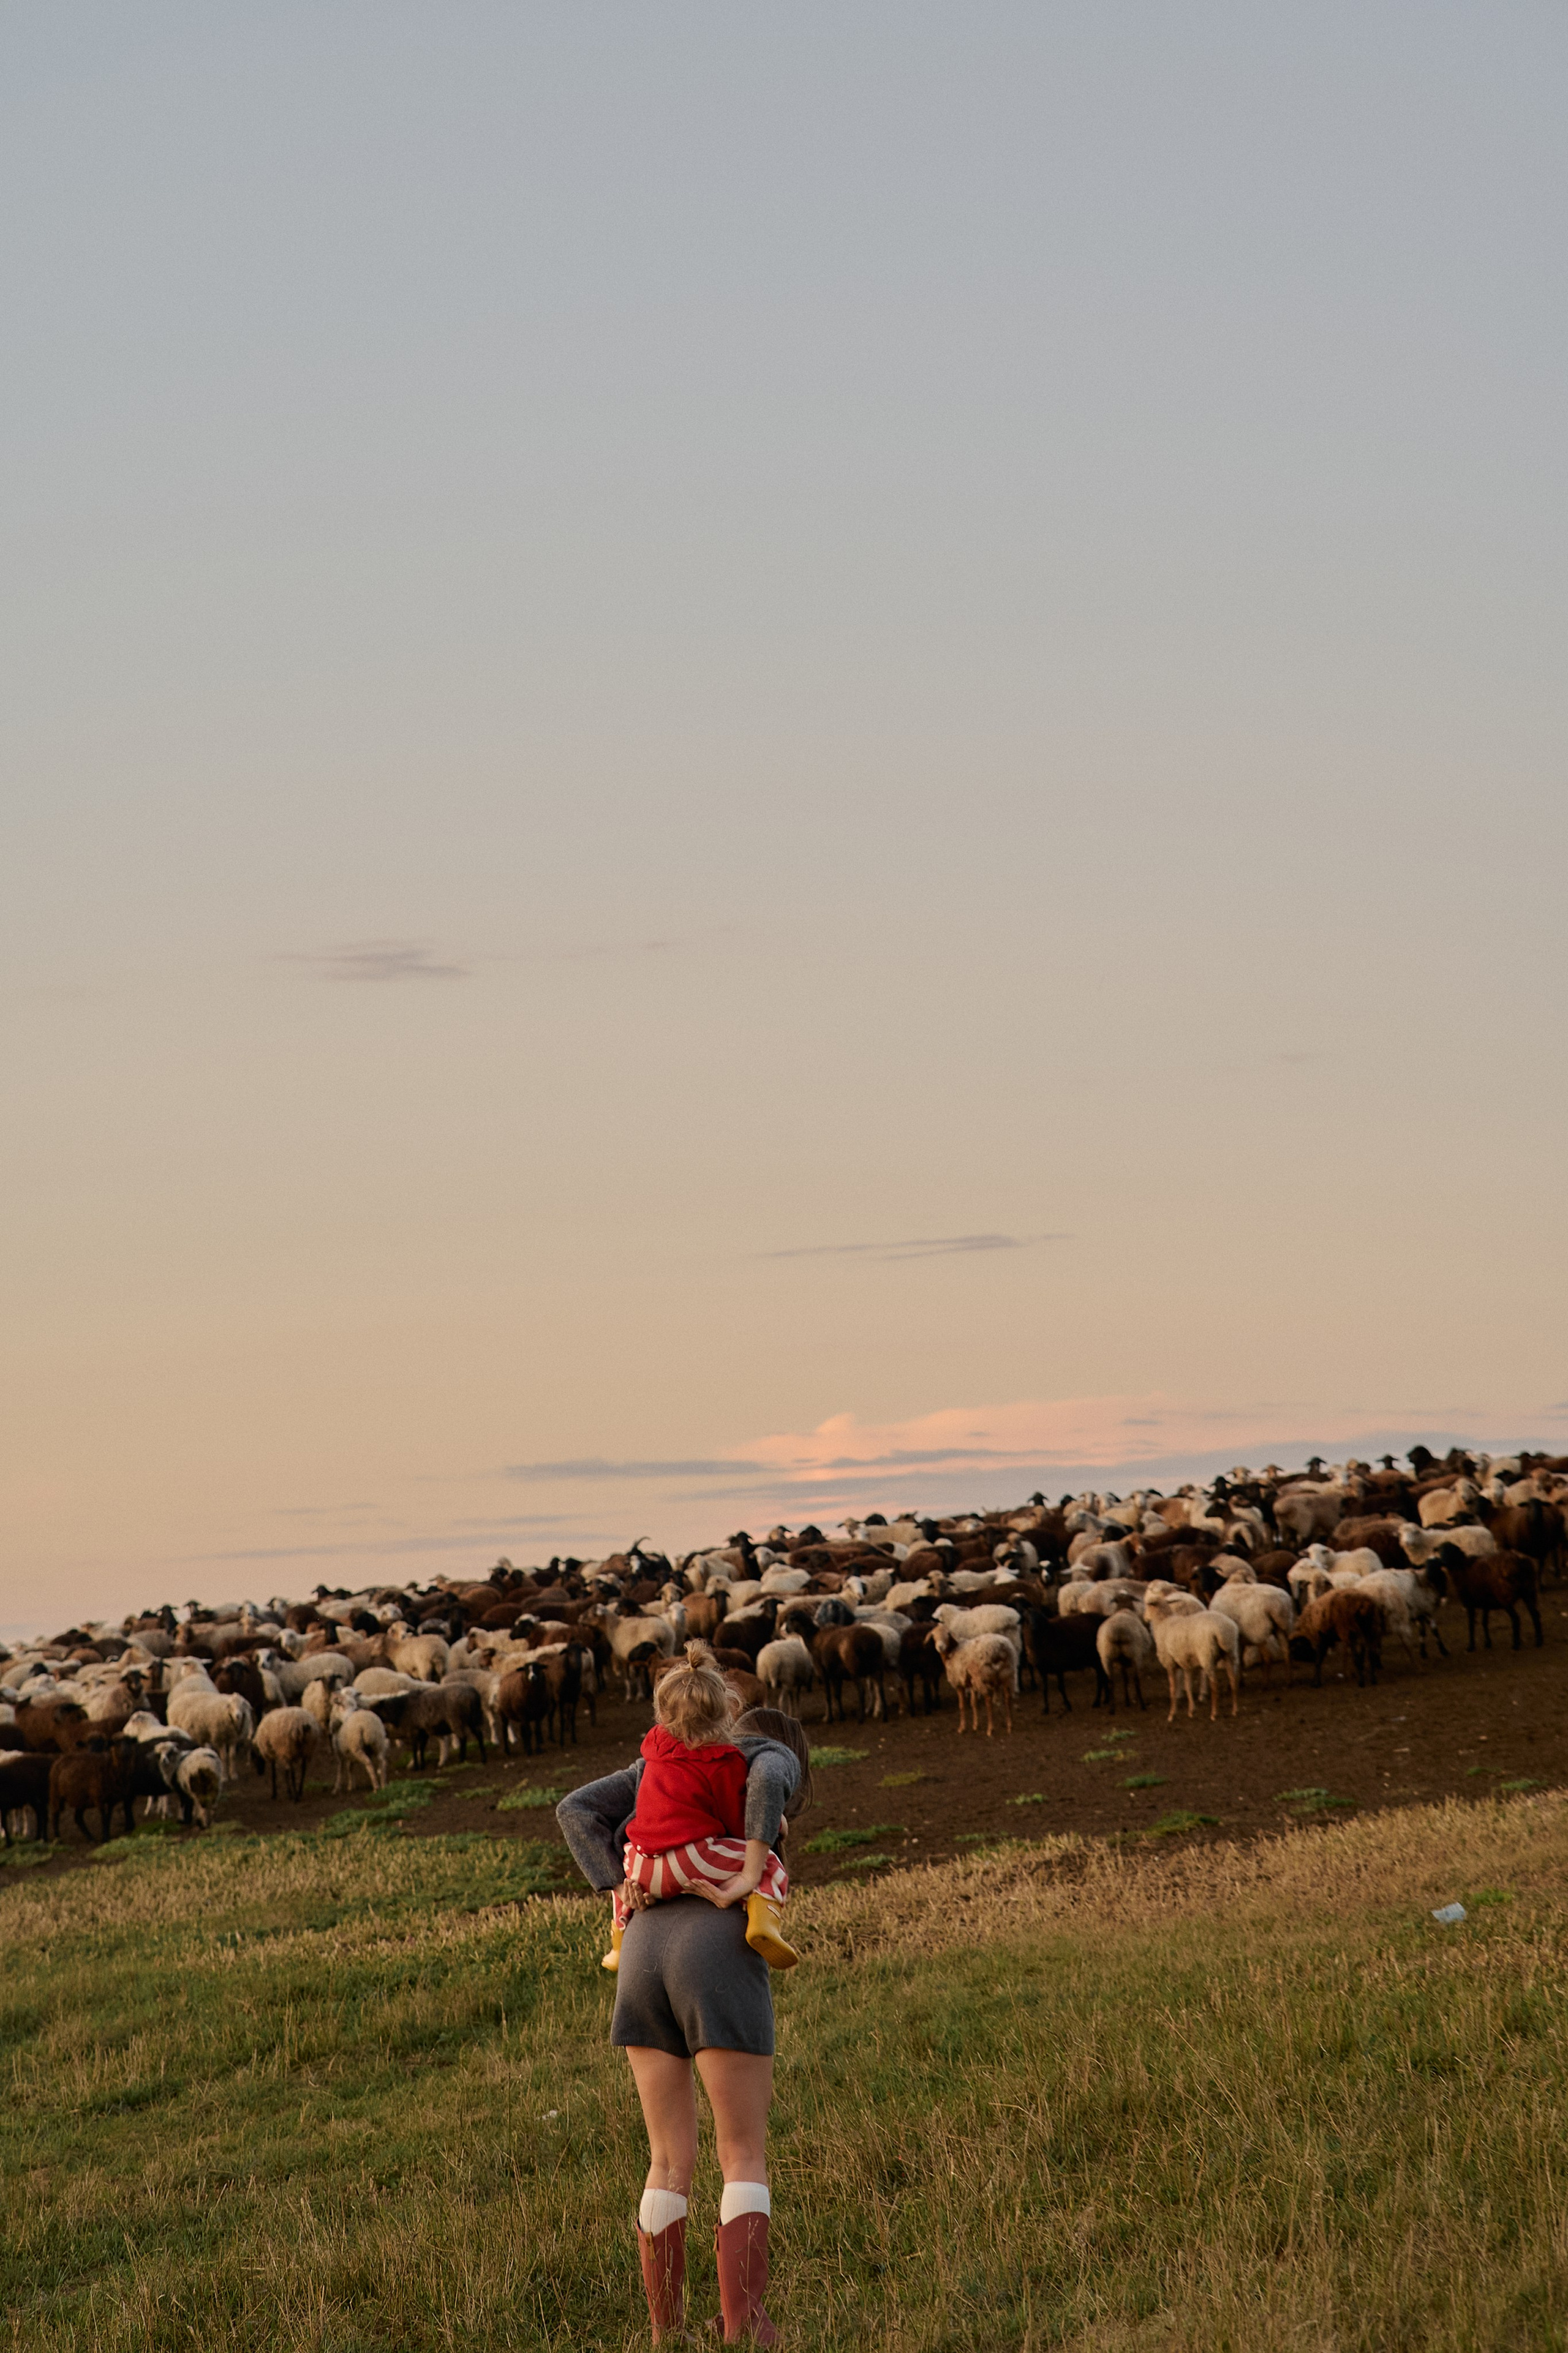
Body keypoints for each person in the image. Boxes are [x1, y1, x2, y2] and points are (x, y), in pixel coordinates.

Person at [558, 1699, 812, 2346]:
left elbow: (574, 1808)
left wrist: (618, 1882)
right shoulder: (755, 1755)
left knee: (667, 2159)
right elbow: (769, 1777)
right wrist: (752, 1867)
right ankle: (743, 2324)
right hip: (715, 1954)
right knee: (742, 2154)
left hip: (640, 1949)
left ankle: (664, 2331)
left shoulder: (657, 1763)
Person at [602, 1642, 798, 1975]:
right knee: (769, 1864)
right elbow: (738, 1824)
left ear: (662, 1716)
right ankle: (765, 1923)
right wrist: (775, 1823)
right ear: (727, 1712)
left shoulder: (654, 1747)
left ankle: (620, 1938)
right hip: (689, 1859)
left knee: (626, 1855)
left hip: (640, 1867)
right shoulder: (725, 1761)